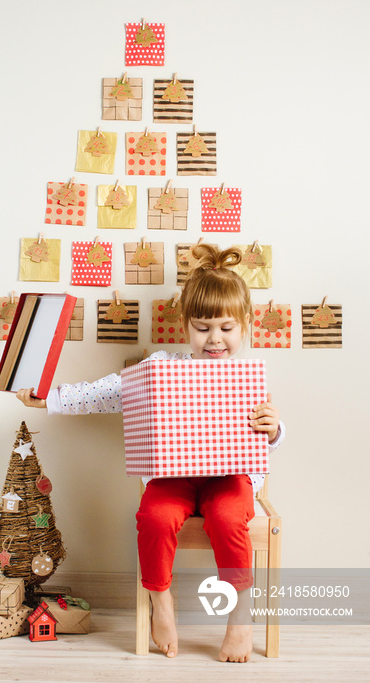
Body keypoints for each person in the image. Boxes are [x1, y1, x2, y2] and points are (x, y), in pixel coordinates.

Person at [16, 244, 285, 663]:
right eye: (203, 327)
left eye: (227, 328)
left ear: (245, 325)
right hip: (172, 478)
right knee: (154, 517)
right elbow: (105, 393)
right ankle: (162, 604)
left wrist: (274, 429)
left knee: (229, 517)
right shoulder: (161, 367)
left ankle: (240, 616)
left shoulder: (248, 377)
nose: (215, 339)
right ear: (185, 327)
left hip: (231, 477)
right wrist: (49, 398)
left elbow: (269, 437)